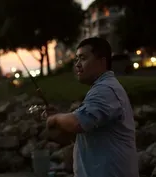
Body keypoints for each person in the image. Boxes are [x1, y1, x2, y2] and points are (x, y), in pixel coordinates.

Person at [46, 37, 139, 177]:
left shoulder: (105, 90)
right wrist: (61, 118)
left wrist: (56, 119)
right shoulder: (102, 89)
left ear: (102, 62)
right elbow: (82, 128)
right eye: (76, 59)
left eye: (83, 58)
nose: (77, 64)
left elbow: (78, 123)